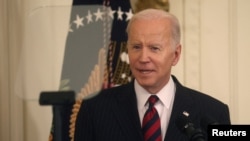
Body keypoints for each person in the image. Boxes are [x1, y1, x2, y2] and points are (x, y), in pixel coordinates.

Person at [74, 8, 231, 141]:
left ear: (175, 55)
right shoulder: (94, 109)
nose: (143, 58)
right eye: (136, 47)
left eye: (154, 48)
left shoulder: (214, 113)